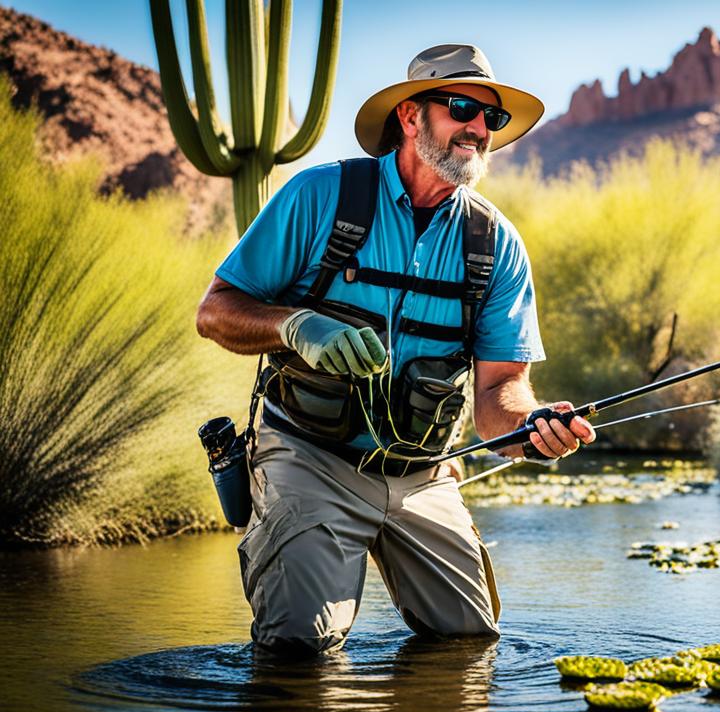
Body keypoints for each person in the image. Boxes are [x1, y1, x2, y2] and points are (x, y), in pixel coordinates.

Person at [195, 44, 593, 657]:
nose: (480, 129)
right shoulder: (319, 197)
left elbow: (497, 393)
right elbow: (216, 312)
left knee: (470, 645)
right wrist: (297, 325)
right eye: (463, 107)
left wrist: (532, 427)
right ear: (410, 117)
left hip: (423, 474)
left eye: (493, 118)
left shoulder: (497, 246)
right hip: (309, 457)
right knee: (298, 648)